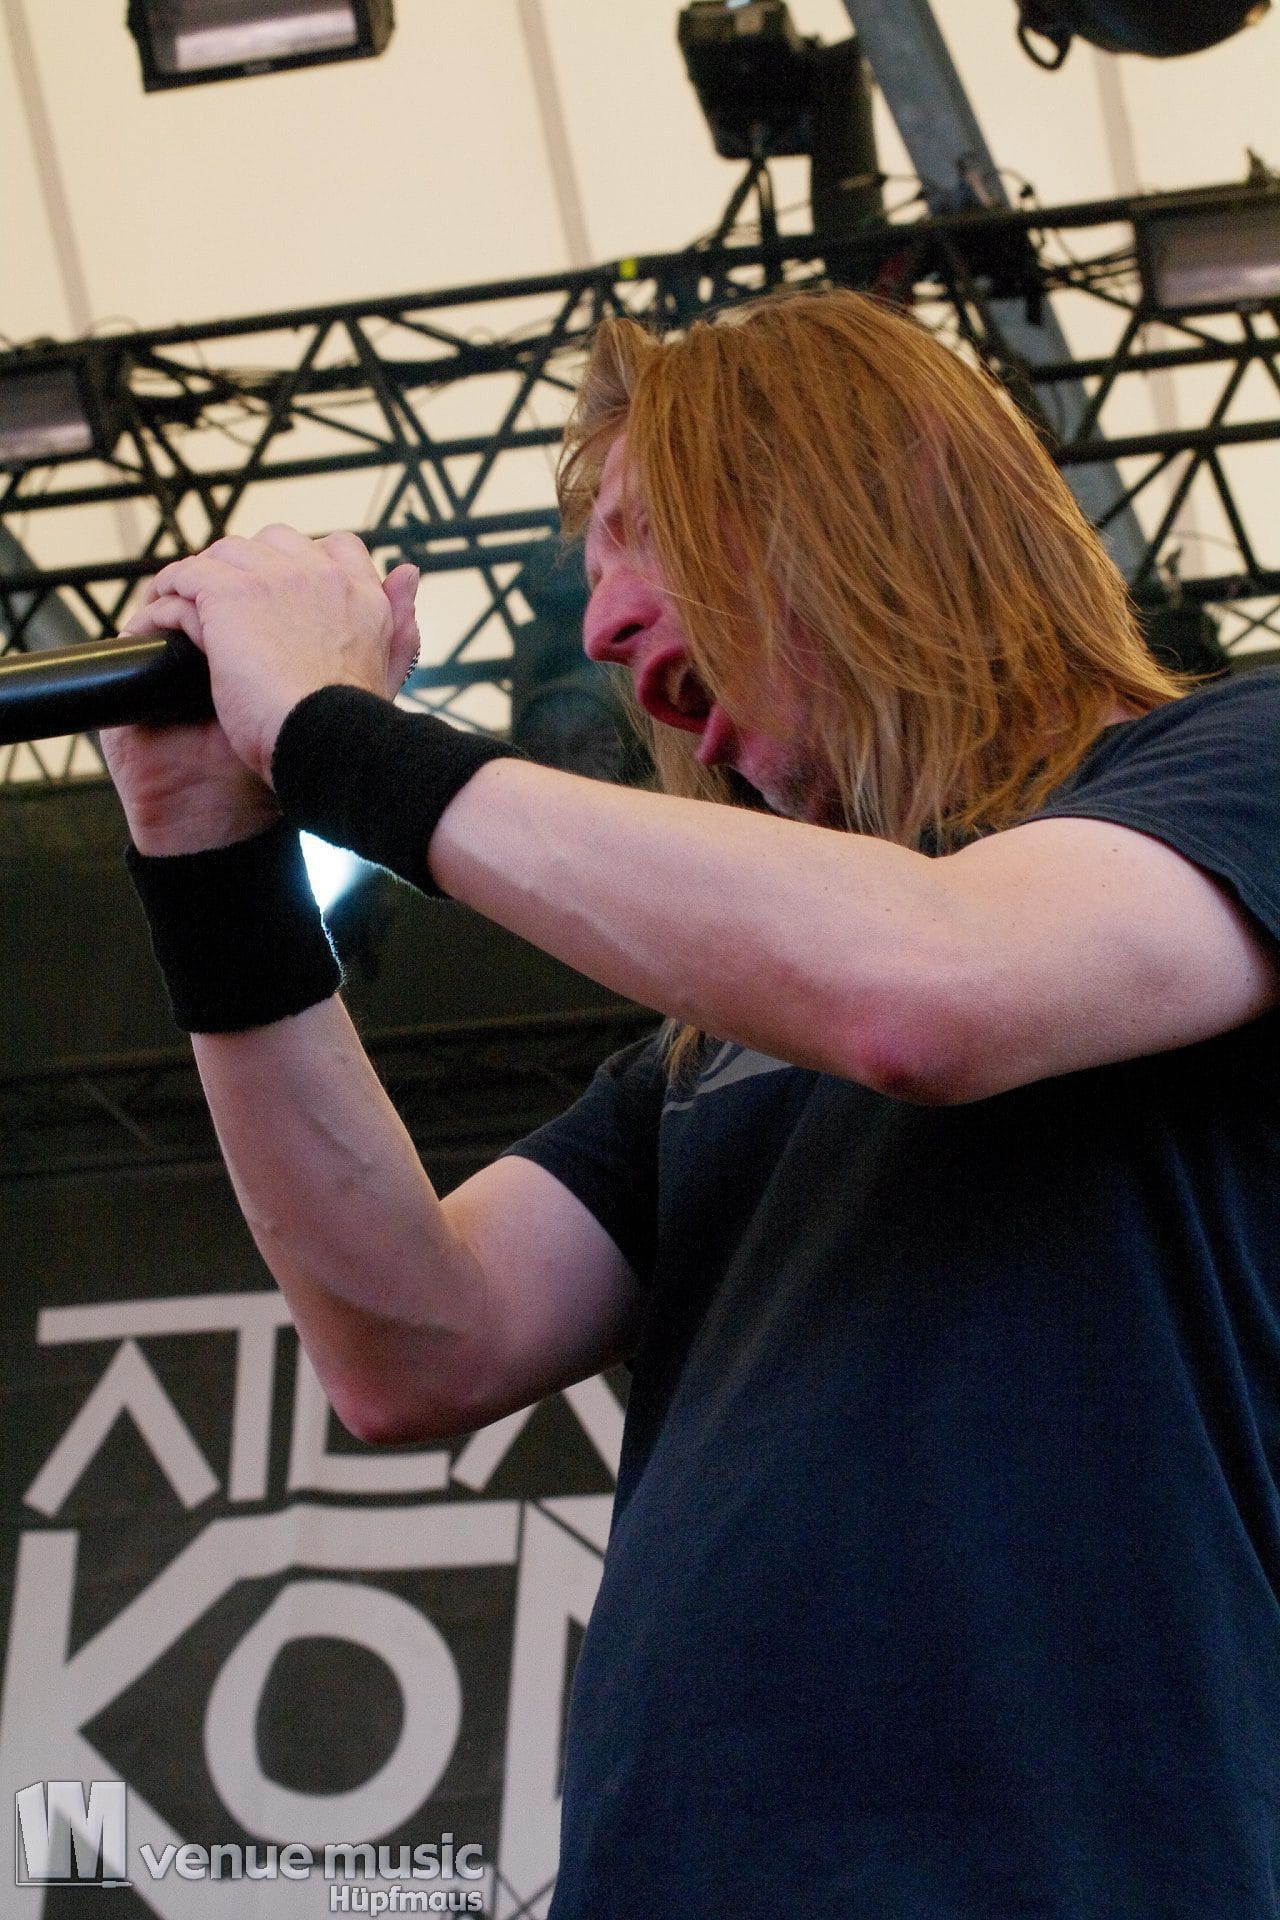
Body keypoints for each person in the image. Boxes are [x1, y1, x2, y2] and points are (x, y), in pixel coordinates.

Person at [104, 289, 1280, 1919]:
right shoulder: (708, 1049)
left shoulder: (1241, 762)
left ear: (865, 492)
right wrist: (206, 852)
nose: (597, 627)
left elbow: (929, 989)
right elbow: (416, 1347)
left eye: (644, 533)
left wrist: (330, 734)